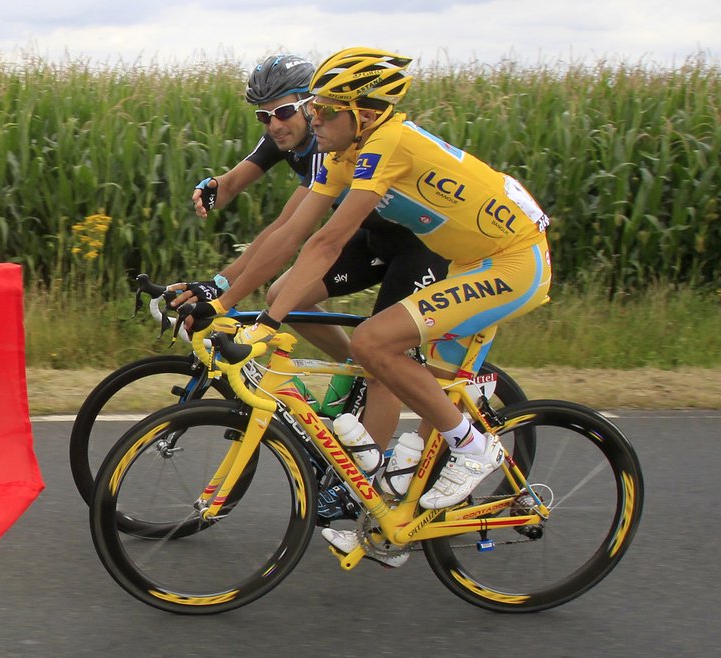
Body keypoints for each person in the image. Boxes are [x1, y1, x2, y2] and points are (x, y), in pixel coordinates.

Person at [200, 47, 553, 565]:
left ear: (362, 116)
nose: (312, 119)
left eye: (323, 111)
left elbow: (326, 244)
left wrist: (266, 325)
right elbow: (292, 235)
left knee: (374, 344)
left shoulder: (388, 144)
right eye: (312, 109)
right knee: (426, 392)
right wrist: (225, 299)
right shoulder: (340, 152)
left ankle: (475, 448)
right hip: (468, 262)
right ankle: (391, 530)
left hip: (512, 262)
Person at [176, 52, 449, 442]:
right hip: (373, 238)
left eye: (283, 112)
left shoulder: (328, 147)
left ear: (311, 105)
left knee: (382, 358)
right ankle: (355, 366)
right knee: (283, 296)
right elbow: (232, 183)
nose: (273, 124)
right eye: (263, 115)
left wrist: (221, 291)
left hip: (421, 246)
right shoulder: (285, 134)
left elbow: (288, 231)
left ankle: (367, 477)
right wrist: (215, 186)